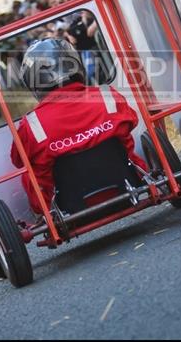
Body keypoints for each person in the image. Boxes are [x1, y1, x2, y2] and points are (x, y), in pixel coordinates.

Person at [9, 38, 148, 216]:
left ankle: (50, 212)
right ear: (75, 63)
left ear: (33, 81)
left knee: (29, 172)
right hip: (129, 186)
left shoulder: (32, 124)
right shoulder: (106, 95)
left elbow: (17, 160)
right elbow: (132, 121)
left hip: (69, 208)